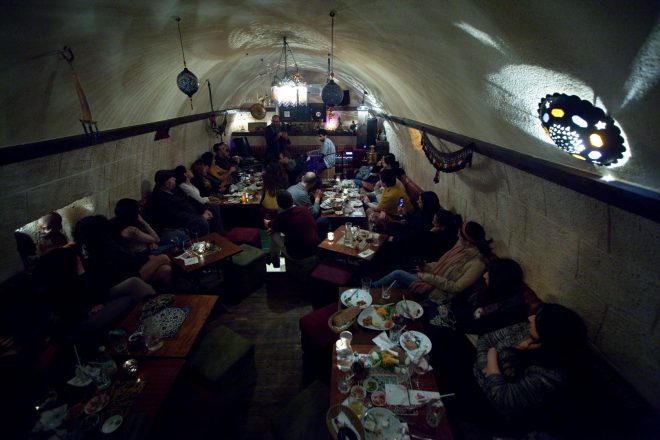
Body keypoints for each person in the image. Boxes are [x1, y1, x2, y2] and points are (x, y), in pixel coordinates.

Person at [372, 220, 491, 305]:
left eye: (460, 236)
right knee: (397, 283)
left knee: (398, 274)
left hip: (441, 293)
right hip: (433, 279)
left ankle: (371, 287)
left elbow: (456, 287)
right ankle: (376, 299)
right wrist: (425, 266)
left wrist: (427, 277)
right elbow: (440, 264)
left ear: (468, 242)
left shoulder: (477, 263)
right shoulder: (461, 247)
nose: (458, 237)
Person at [74, 215, 174, 293]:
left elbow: (129, 258)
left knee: (165, 270)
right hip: (126, 279)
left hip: (131, 272)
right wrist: (146, 258)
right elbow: (127, 263)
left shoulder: (104, 245)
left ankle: (169, 300)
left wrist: (146, 257)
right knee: (163, 258)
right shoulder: (98, 251)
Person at [451, 258, 527, 335]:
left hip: (467, 334)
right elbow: (457, 299)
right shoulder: (487, 284)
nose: (485, 275)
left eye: (490, 274)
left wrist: (462, 314)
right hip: (456, 319)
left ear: (499, 279)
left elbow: (476, 327)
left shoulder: (512, 309)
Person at [145, 169, 224, 237]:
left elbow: (189, 199)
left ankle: (219, 235)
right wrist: (200, 216)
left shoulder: (174, 189)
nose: (175, 179)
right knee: (202, 222)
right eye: (172, 179)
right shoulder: (159, 198)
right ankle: (208, 241)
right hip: (178, 221)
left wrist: (204, 209)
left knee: (213, 207)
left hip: (191, 212)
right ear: (167, 184)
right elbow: (176, 215)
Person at [110, 198, 187, 255]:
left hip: (149, 245)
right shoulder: (131, 230)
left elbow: (148, 238)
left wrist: (150, 243)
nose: (140, 209)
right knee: (179, 241)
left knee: (180, 233)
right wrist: (143, 222)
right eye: (138, 208)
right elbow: (156, 239)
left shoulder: (121, 223)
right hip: (146, 254)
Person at [265, 190, 319, 262]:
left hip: (297, 254)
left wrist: (264, 220)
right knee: (274, 229)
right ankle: (273, 257)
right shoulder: (304, 209)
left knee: (271, 233)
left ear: (278, 204)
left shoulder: (282, 218)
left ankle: (273, 258)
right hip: (315, 248)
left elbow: (268, 224)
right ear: (292, 199)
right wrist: (275, 227)